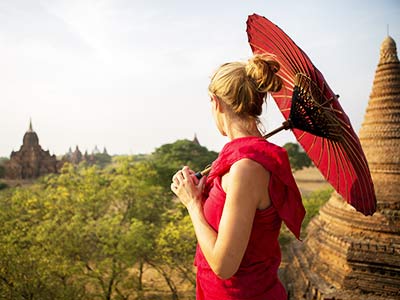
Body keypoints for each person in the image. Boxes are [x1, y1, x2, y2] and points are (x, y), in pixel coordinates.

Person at [171, 54, 306, 300]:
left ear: (215, 102)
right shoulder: (238, 162)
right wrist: (203, 194)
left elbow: (224, 266)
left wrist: (192, 204)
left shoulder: (246, 168)